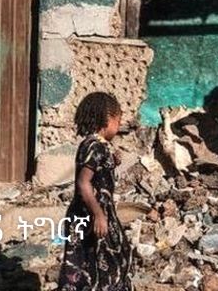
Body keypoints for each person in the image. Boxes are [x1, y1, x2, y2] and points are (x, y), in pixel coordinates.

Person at [58, 92, 132, 291]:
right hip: (91, 214)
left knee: (107, 260)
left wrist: (112, 161)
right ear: (107, 119)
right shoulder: (94, 146)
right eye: (118, 121)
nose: (119, 126)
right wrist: (98, 214)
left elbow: (98, 171)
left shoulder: (98, 145)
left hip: (96, 213)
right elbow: (83, 183)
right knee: (96, 264)